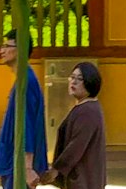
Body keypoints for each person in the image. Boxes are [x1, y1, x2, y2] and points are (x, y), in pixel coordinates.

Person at [0, 30, 49, 189]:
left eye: (6, 46)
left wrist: (27, 167)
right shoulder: (23, 79)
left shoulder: (26, 82)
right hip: (13, 161)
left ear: (20, 50)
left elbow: (27, 125)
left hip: (18, 165)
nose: (1, 50)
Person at [39, 61, 107, 189]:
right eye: (72, 77)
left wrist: (56, 170)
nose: (73, 82)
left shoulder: (88, 111)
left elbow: (76, 146)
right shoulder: (83, 107)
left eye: (80, 79)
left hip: (84, 181)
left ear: (90, 82)